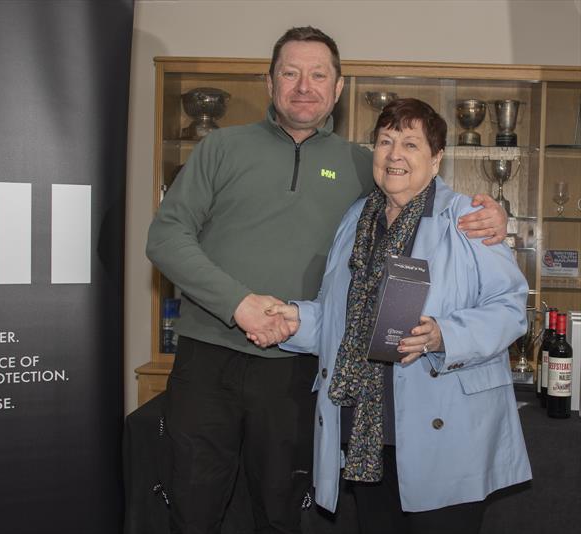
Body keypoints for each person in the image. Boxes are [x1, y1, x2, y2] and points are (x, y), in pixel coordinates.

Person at [146, 26, 508, 534]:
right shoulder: (220, 148)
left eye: (319, 75)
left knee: (280, 508)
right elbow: (165, 238)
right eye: (290, 73)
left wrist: (492, 215)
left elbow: (422, 190)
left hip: (294, 368)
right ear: (269, 82)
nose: (303, 85)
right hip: (209, 357)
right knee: (193, 502)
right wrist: (239, 304)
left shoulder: (362, 165)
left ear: (338, 89)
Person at [258, 98, 531, 534]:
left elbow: (512, 308)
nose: (395, 154)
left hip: (444, 430)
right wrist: (291, 319)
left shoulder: (468, 218)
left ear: (436, 158)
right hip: (368, 433)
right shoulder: (355, 219)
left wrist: (445, 335)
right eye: (385, 141)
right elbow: (336, 317)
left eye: (411, 143)